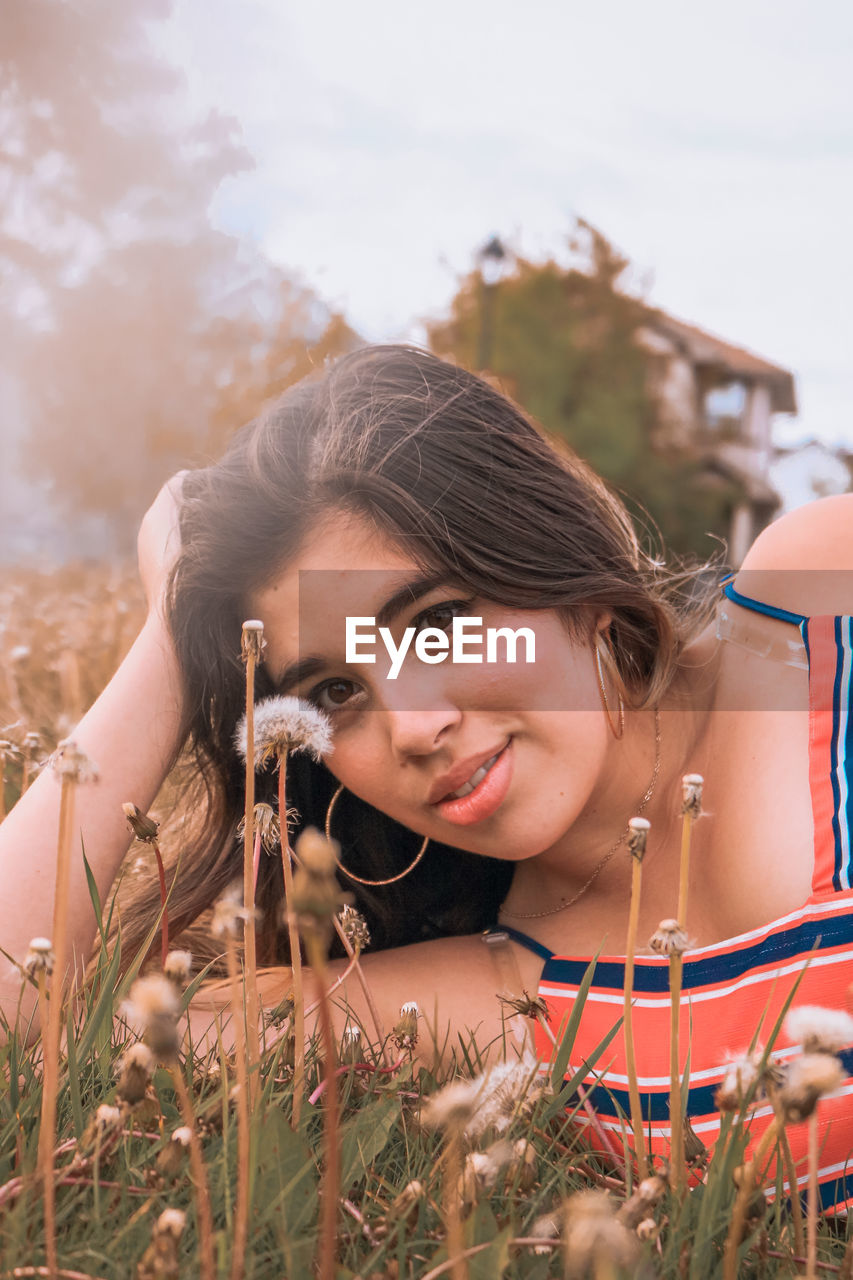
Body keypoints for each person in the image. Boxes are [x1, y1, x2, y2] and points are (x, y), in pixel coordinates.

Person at [1, 345, 852, 1203]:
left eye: (439, 622)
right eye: (334, 691)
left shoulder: (814, 605)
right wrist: (172, 637)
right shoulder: (496, 1003)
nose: (413, 726)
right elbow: (25, 1039)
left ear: (557, 560)